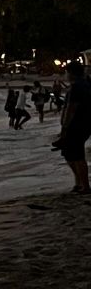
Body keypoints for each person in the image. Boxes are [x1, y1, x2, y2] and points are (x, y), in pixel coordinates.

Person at [54, 59, 91, 194]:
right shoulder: (86, 84)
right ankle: (79, 182)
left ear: (71, 73)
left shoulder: (76, 87)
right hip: (85, 124)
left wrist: (64, 127)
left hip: (76, 125)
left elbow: (71, 108)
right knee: (70, 154)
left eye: (66, 72)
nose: (65, 75)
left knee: (76, 155)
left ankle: (84, 185)